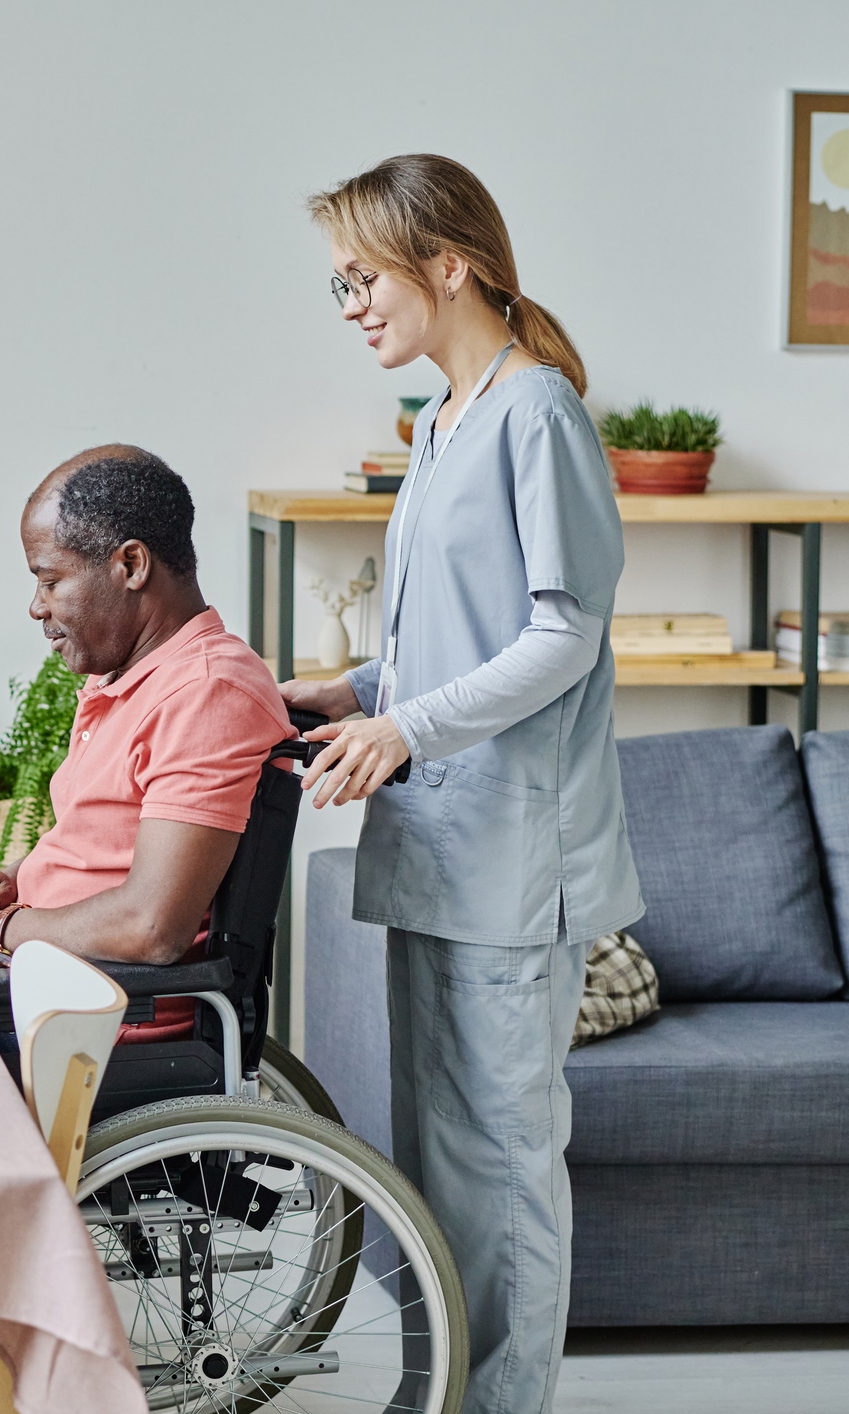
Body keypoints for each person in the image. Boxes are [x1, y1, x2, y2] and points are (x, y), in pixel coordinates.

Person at [292, 154, 642, 1414]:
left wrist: (408, 727)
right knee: (436, 1158)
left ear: (447, 262)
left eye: (361, 279)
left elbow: (563, 633)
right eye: (337, 287)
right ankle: (445, 1390)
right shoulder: (440, 422)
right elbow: (442, 632)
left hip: (510, 852)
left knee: (502, 1167)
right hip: (436, 846)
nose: (350, 308)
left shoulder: (538, 411)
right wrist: (354, 692)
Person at [0, 446, 293, 1051]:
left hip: (98, 1023)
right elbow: (102, 854)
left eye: (51, 580)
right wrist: (8, 884)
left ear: (130, 564)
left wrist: (4, 932)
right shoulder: (123, 676)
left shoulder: (206, 693)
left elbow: (151, 926)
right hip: (48, 987)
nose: (36, 606)